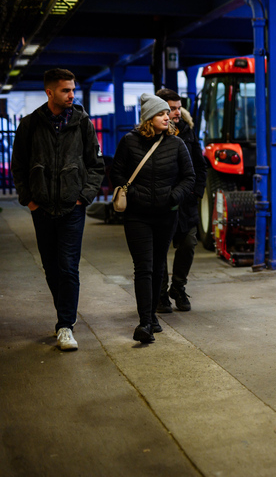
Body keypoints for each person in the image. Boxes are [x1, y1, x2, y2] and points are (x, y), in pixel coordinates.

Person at [11, 68, 105, 351]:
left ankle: (65, 325)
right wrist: (30, 200)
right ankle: (63, 314)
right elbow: (19, 167)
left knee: (68, 268)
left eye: (73, 90)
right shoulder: (29, 125)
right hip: (41, 209)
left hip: (71, 209)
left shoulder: (82, 123)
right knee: (51, 268)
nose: (71, 95)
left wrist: (84, 197)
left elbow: (96, 165)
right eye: (66, 90)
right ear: (49, 92)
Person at [110, 93, 194, 343]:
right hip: (137, 216)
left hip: (166, 215)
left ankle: (153, 316)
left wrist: (173, 197)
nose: (167, 117)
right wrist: (134, 194)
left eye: (167, 113)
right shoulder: (129, 142)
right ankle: (145, 322)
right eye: (161, 113)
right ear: (148, 118)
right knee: (143, 268)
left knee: (158, 266)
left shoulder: (176, 144)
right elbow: (117, 173)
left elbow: (189, 177)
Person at [155, 89, 206, 313]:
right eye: (171, 109)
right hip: (160, 203)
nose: (176, 113)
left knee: (189, 243)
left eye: (178, 108)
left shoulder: (187, 131)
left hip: (186, 202)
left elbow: (199, 165)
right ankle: (160, 294)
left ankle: (178, 287)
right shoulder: (150, 134)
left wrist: (196, 192)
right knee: (159, 249)